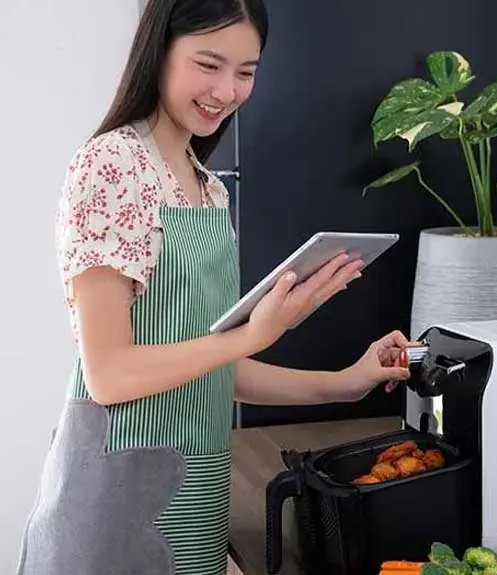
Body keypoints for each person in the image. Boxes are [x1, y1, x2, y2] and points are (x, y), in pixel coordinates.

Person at [17, 1, 414, 574]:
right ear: (159, 50)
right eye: (209, 64)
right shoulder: (111, 166)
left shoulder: (208, 190)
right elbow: (110, 374)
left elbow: (208, 371)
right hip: (116, 513)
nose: (227, 91)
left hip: (198, 506)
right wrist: (256, 333)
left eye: (246, 72)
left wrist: (346, 383)